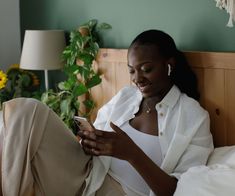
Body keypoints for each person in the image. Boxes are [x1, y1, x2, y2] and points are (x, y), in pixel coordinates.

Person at [0, 29, 214, 196]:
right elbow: (96, 137)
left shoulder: (193, 117)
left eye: (146, 69)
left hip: (122, 192)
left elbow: (179, 190)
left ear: (169, 65)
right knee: (27, 110)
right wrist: (89, 143)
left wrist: (132, 153)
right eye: (132, 70)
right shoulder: (126, 97)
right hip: (86, 175)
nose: (137, 78)